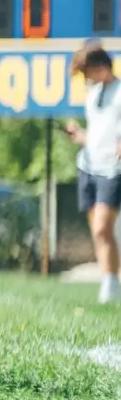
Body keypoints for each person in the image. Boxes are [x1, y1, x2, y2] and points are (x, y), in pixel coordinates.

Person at [68, 44, 121, 305]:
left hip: (111, 169)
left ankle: (111, 282)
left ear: (101, 67)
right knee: (96, 230)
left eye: (87, 71)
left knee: (103, 228)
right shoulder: (93, 93)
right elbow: (97, 134)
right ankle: (107, 282)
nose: (86, 78)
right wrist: (79, 135)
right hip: (88, 165)